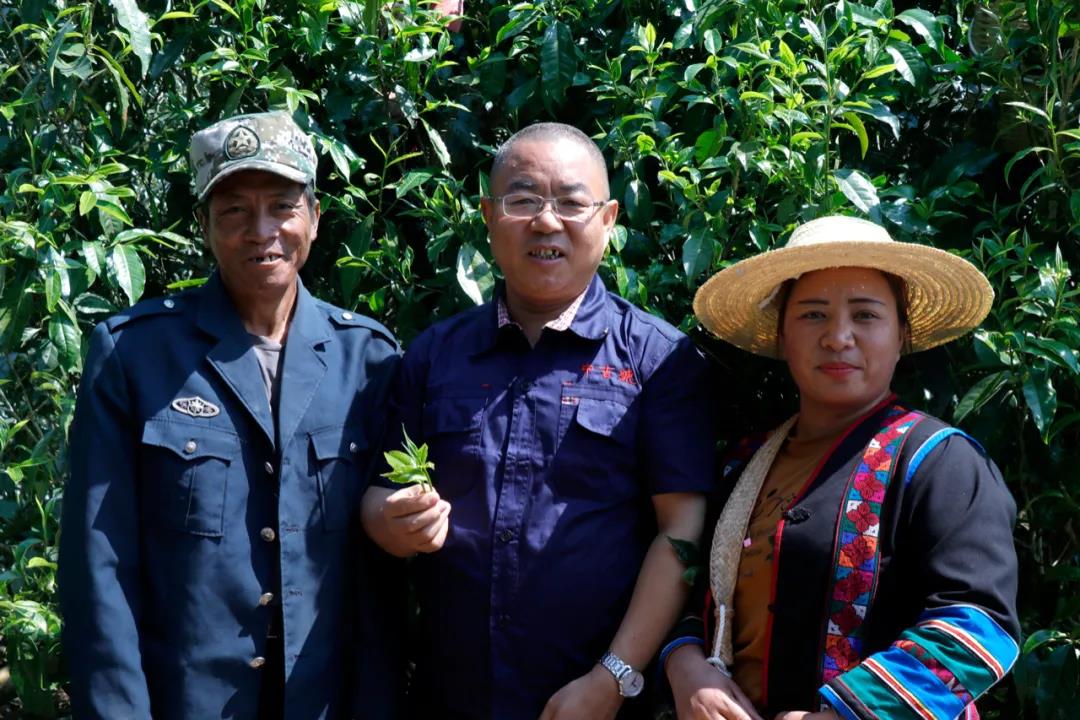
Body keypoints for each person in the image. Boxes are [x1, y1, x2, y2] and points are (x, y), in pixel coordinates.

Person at [360, 122, 717, 720]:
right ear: (488, 216)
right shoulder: (434, 354)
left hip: (595, 698)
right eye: (523, 200)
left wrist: (613, 677)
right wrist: (389, 523)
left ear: (608, 220)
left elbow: (681, 530)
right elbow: (376, 495)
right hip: (452, 695)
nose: (547, 222)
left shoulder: (658, 360)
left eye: (573, 203)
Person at [59, 111, 404, 720]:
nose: (261, 229)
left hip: (326, 696)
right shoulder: (136, 354)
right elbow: (99, 566)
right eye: (235, 211)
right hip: (185, 698)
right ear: (205, 227)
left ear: (315, 219)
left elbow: (379, 583)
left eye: (281, 206)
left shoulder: (369, 360)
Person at [663, 215, 1020, 720]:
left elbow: (979, 625)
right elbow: (691, 592)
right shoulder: (742, 463)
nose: (838, 337)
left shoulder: (942, 461)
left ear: (902, 335)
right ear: (782, 335)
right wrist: (686, 667)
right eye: (812, 315)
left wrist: (842, 715)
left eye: (866, 315)